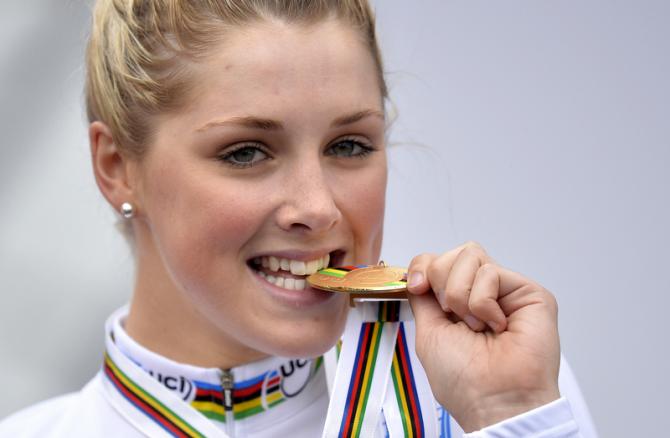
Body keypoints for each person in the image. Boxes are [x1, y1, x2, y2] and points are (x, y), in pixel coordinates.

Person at [0, 1, 597, 437]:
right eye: (246, 153)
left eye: (349, 145)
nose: (318, 208)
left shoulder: (494, 398)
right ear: (116, 167)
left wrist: (507, 414)